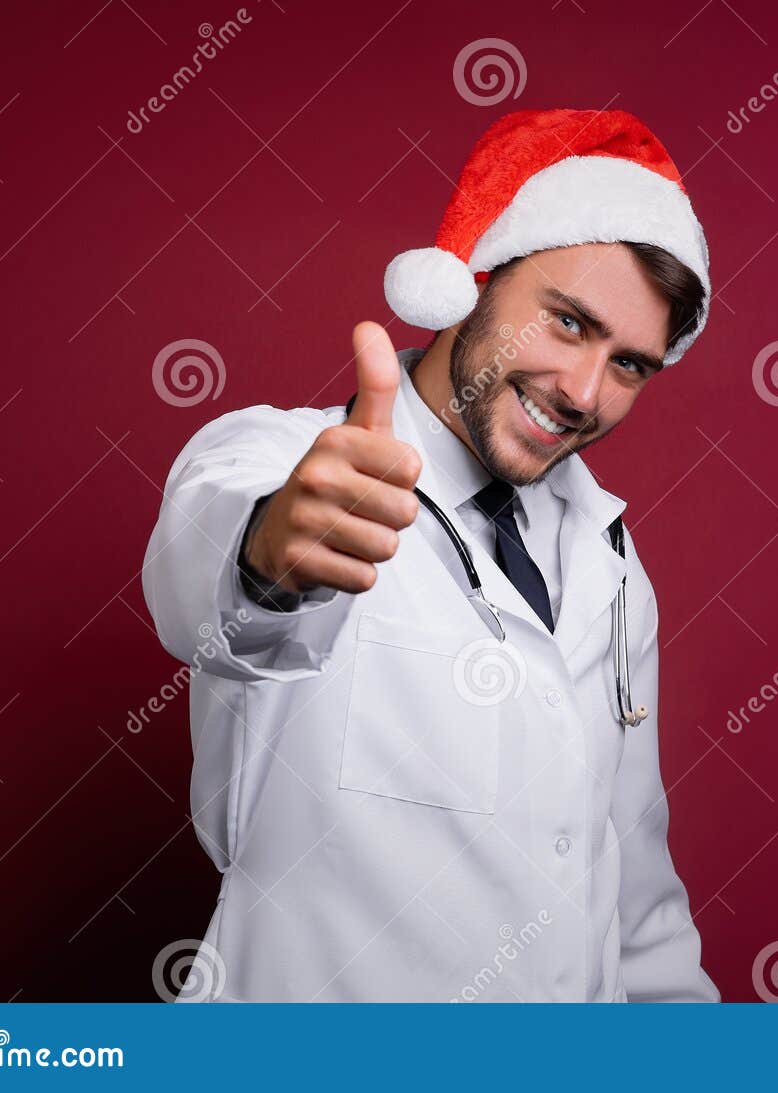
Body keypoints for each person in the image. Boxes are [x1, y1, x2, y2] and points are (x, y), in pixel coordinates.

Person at [142, 108, 718, 1001]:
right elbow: (203, 589)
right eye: (567, 322)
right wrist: (270, 558)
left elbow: (635, 883)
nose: (584, 392)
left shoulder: (612, 565)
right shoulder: (283, 461)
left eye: (631, 365)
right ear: (475, 281)